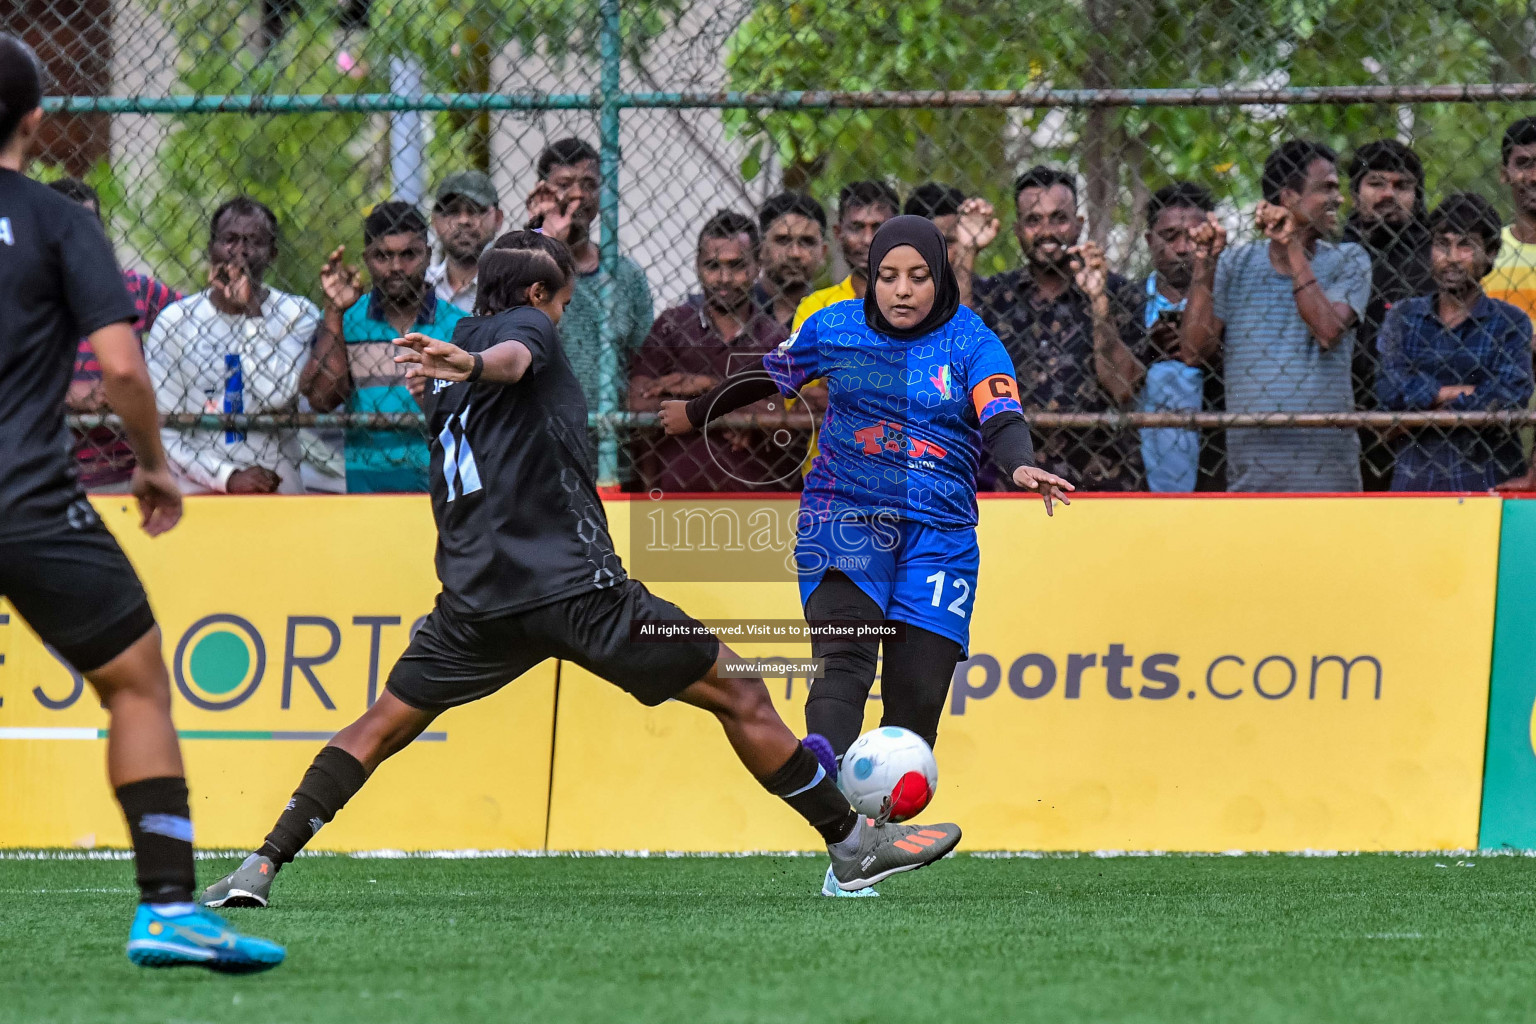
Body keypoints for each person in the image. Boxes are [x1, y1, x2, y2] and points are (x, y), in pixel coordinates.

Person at [199, 232, 961, 909]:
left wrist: (459, 357)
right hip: (579, 590)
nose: (560, 317)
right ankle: (852, 847)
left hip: (476, 605)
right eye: (562, 301)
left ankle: (260, 863)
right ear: (538, 297)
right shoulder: (513, 334)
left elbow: (489, 367)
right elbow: (516, 355)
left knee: (380, 726)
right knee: (741, 693)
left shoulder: (446, 370)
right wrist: (477, 357)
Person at [658, 216, 1072, 897]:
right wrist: (698, 410)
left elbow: (1000, 415)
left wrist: (1020, 467)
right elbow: (767, 377)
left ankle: (854, 856)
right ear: (870, 278)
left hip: (939, 536)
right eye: (888, 277)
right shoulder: (834, 327)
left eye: (918, 277)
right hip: (844, 516)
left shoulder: (972, 339)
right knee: (846, 655)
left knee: (914, 708)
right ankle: (825, 768)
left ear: (941, 280)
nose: (902, 291)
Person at [0, 34, 282, 971]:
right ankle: (167, 908)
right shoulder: (58, 223)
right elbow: (122, 364)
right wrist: (154, 466)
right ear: (37, 123)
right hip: (29, 503)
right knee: (134, 683)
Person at [1181, 141, 1371, 492]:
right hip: (1253, 480)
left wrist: (1292, 246)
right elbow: (1193, 351)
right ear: (1289, 197)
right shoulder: (1235, 264)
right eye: (1326, 188)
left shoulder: (1349, 259)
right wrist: (1204, 264)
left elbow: (1327, 331)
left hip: (1329, 480)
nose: (1339, 199)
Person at [966, 166, 1148, 491]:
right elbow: (955, 352)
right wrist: (967, 253)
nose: (1047, 231)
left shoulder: (1117, 292)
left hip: (1102, 480)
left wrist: (1098, 303)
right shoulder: (994, 296)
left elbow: (1122, 387)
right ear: (1018, 230)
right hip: (1011, 479)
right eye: (1034, 220)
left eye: (1059, 218)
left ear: (1078, 225)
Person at [144, 196, 317, 494]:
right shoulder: (175, 322)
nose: (241, 251)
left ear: (273, 253)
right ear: (211, 248)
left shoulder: (296, 314)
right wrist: (226, 477)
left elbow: (276, 396)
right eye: (230, 240)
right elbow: (164, 430)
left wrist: (251, 312)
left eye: (255, 241)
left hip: (274, 474)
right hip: (196, 480)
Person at [301, 200, 467, 493]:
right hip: (367, 484)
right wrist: (333, 310)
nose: (396, 267)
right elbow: (321, 400)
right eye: (383, 256)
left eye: (409, 254)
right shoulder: (344, 321)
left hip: (441, 484)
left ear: (428, 255)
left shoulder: (458, 326)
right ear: (366, 258)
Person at [630, 210, 799, 492]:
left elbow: (789, 415)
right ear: (697, 265)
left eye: (737, 266)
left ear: (757, 266)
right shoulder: (672, 326)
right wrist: (739, 410)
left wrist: (705, 390)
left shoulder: (776, 338)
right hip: (673, 501)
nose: (724, 278)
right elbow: (637, 402)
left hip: (760, 507)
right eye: (712, 265)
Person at [1377, 193, 1533, 491]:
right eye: (1442, 245)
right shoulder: (1404, 316)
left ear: (1490, 252)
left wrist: (1419, 412)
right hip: (1415, 480)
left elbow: (1509, 396)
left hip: (1488, 480)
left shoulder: (1510, 322)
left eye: (1465, 245)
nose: (1451, 257)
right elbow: (1388, 390)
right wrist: (1464, 396)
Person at [45, 176, 181, 493]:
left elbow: (195, 323)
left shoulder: (132, 287)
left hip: (127, 472)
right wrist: (66, 393)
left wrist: (136, 387)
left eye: (89, 229)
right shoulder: (21, 294)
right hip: (49, 473)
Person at [524, 137, 653, 412]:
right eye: (564, 184)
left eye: (589, 184)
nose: (578, 194)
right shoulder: (522, 264)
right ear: (542, 192)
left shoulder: (626, 275)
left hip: (606, 439)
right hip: (538, 434)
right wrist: (544, 236)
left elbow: (642, 361)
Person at [1343, 140, 1434, 491]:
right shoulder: (1332, 256)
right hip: (1345, 422)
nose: (1388, 194)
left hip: (1423, 424)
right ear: (1355, 194)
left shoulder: (1436, 262)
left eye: (1402, 186)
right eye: (1376, 183)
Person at [1135, 182, 1217, 493]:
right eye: (1170, 237)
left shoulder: (1225, 299)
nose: (1182, 248)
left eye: (1193, 237)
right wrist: (1147, 348)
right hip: (1141, 467)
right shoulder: (1129, 300)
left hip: (1213, 462)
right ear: (1149, 240)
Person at [791, 180, 899, 330]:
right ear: (838, 233)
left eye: (878, 227)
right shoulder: (815, 308)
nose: (867, 239)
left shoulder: (915, 301)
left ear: (900, 232)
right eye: (856, 228)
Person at [903, 181, 1000, 309]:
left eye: (950, 242)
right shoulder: (898, 294)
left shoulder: (993, 295)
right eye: (933, 243)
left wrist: (966, 251)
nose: (945, 254)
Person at [425, 171, 503, 315]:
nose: (464, 220)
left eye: (476, 210)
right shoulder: (421, 287)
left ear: (497, 219)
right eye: (452, 211)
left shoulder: (509, 288)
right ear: (435, 221)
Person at [755, 191, 827, 329]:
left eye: (807, 242)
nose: (794, 253)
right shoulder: (738, 309)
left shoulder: (831, 317)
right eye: (783, 240)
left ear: (823, 252)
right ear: (760, 249)